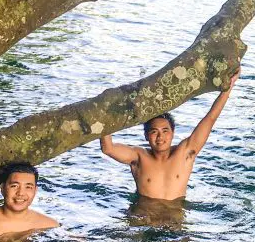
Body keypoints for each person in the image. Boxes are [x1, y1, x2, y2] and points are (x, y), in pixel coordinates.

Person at [99, 66, 240, 201]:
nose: (160, 137)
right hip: (143, 219)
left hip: (174, 219)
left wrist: (228, 89)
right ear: (147, 136)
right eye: (154, 132)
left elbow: (210, 118)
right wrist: (105, 115)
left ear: (172, 133)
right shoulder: (139, 157)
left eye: (165, 131)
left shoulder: (185, 153)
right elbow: (108, 148)